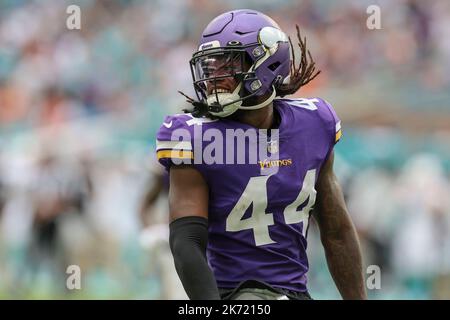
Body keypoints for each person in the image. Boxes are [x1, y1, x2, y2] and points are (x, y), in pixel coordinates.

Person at [156, 9, 366, 300]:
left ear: (267, 63)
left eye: (227, 65)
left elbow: (336, 231)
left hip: (293, 292)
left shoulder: (314, 124)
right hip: (232, 294)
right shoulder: (194, 137)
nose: (215, 78)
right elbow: (186, 242)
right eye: (210, 67)